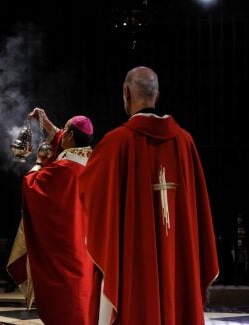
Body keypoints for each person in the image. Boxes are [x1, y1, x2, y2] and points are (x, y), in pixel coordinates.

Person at [82, 66, 219, 325]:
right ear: (157, 94)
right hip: (178, 258)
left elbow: (89, 194)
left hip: (133, 264)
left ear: (126, 93)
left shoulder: (115, 143)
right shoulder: (184, 141)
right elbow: (200, 212)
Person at [7, 107, 95, 325]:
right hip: (88, 248)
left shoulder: (63, 169)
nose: (61, 133)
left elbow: (31, 186)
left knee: (66, 305)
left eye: (64, 129)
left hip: (64, 251)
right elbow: (63, 143)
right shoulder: (95, 162)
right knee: (86, 297)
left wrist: (38, 162)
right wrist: (46, 123)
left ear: (71, 135)